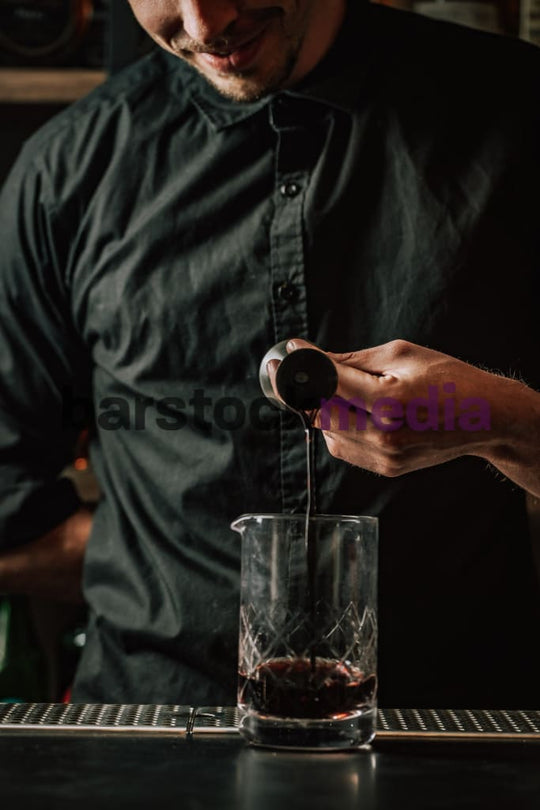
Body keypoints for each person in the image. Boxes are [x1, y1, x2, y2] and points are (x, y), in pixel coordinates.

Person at [0, 0, 539, 709]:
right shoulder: (64, 171)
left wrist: (498, 418)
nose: (202, 23)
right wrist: (156, 567)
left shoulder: (519, 111)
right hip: (156, 725)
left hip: (457, 729)